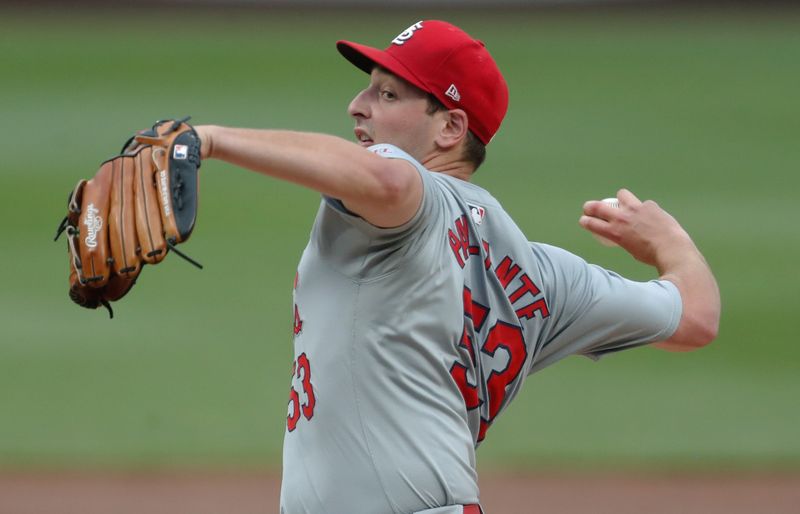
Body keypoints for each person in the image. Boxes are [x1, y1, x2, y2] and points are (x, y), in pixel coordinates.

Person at [193, 20, 720, 514]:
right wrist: (669, 243)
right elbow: (696, 317)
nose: (357, 106)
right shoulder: (547, 277)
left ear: (450, 127)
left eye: (387, 93)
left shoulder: (408, 192)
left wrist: (208, 141)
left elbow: (391, 183)